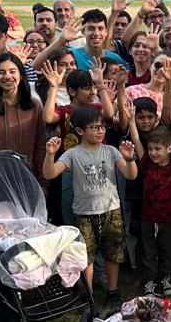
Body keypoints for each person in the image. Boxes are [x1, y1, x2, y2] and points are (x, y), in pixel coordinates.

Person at [44, 106, 138, 303]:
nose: (100, 131)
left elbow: (131, 175)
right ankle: (88, 295)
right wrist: (50, 154)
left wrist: (129, 160)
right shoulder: (72, 154)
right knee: (86, 255)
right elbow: (50, 173)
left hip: (111, 211)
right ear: (79, 131)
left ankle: (113, 290)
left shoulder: (111, 151)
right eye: (94, 127)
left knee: (113, 253)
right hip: (84, 213)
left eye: (101, 127)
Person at [123, 106, 171, 297]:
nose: (153, 153)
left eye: (158, 149)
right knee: (149, 252)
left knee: (167, 251)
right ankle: (150, 282)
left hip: (168, 219)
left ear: (169, 148)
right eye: (151, 149)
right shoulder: (146, 163)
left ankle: (166, 279)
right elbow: (137, 141)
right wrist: (131, 120)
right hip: (148, 218)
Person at [0, 52, 49, 179]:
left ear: (21, 75)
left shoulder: (35, 105)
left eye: (12, 71)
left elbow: (40, 146)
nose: (7, 76)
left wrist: (43, 182)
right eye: (1, 72)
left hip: (27, 177)